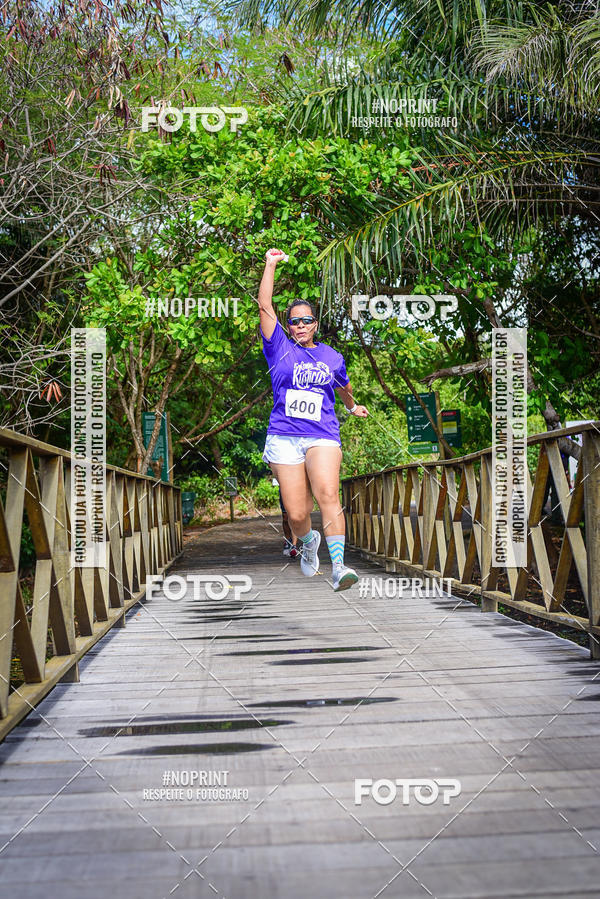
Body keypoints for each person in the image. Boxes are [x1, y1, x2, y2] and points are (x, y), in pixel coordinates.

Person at [258, 247, 369, 591]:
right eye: (295, 320)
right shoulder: (278, 346)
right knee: (296, 514)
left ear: (316, 324)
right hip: (284, 436)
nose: (301, 324)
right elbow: (264, 305)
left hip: (322, 434)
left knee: (327, 494)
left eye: (307, 320)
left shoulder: (331, 356)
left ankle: (339, 567)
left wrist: (351, 407)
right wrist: (270, 264)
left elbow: (344, 387)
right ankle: (308, 543)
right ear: (288, 325)